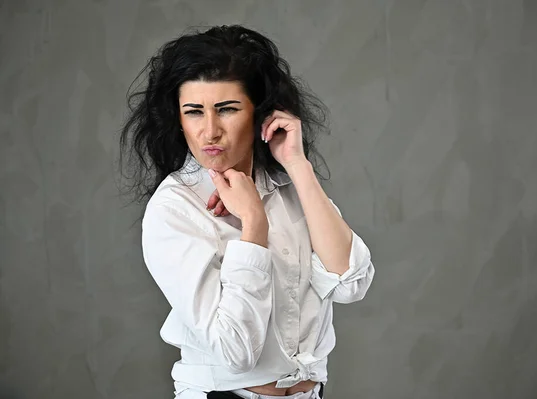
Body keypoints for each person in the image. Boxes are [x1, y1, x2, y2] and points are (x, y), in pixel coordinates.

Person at [119, 25, 375, 399]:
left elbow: (351, 283)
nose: (210, 131)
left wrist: (297, 164)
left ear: (261, 113)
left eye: (227, 109)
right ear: (177, 118)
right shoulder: (175, 207)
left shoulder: (289, 185)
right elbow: (235, 351)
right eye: (194, 112)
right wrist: (254, 226)